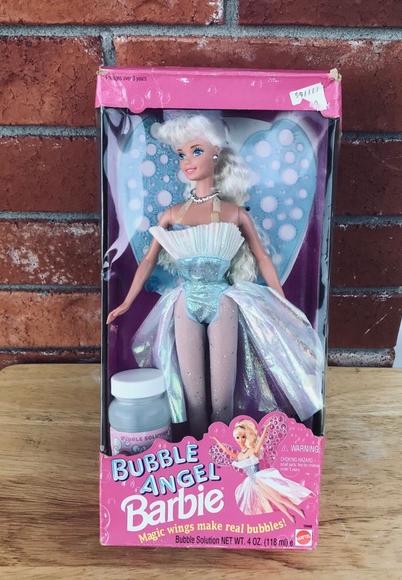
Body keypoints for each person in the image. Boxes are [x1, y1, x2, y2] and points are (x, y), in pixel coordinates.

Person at [107, 114, 323, 438]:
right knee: (194, 400)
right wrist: (125, 303)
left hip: (224, 300)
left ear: (216, 152)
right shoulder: (171, 215)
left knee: (223, 401)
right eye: (181, 154)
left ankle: (223, 453)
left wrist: (283, 304)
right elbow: (149, 260)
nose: (187, 161)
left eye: (196, 151)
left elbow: (262, 258)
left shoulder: (235, 213)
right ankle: (199, 456)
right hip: (184, 301)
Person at [211, 419, 313, 522]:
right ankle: (290, 517)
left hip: (260, 478)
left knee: (278, 498)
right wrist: (216, 440)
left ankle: (299, 511)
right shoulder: (239, 455)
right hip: (253, 483)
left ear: (246, 437)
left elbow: (261, 442)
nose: (240, 440)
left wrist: (266, 429)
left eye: (243, 437)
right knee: (274, 501)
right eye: (238, 437)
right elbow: (226, 451)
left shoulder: (252, 450)